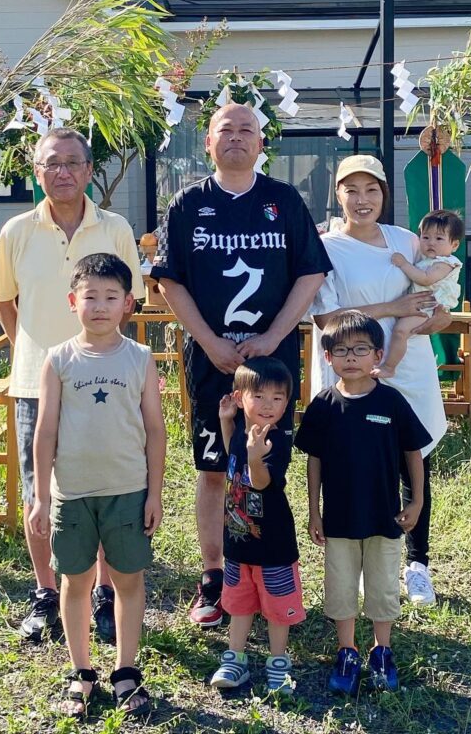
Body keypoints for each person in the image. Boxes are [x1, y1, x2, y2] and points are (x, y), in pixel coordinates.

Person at [151, 102, 331, 628]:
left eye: (246, 129)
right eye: (224, 130)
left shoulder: (284, 200)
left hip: (271, 370)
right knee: (212, 471)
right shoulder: (187, 205)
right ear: (207, 143)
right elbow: (169, 280)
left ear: (260, 143)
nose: (235, 137)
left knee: (267, 471)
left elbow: (311, 273)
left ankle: (269, 569)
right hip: (212, 363)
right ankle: (214, 576)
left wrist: (275, 337)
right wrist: (207, 342)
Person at [0, 128, 146, 643]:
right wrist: (41, 359)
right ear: (36, 171)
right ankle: (46, 594)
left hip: (108, 378)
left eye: (73, 163)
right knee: (42, 493)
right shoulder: (15, 231)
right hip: (38, 380)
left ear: (88, 170)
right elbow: (4, 303)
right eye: (51, 163)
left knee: (103, 484)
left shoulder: (116, 228)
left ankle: (102, 593)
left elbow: (132, 300)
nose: (63, 172)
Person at [29, 253, 165, 718]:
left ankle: (126, 670)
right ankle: (81, 670)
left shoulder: (140, 358)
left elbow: (155, 430)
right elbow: (44, 430)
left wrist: (155, 492)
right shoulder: (58, 359)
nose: (101, 306)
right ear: (73, 301)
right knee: (76, 580)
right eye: (91, 297)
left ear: (129, 303)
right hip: (72, 493)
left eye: (111, 297)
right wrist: (42, 497)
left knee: (128, 580)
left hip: (127, 490)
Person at [310, 154, 450, 607]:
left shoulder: (407, 240)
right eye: (352, 190)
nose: (362, 200)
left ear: (384, 195)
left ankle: (417, 563)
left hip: (408, 365)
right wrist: (392, 311)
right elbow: (326, 317)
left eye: (371, 190)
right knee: (355, 461)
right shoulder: (326, 248)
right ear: (338, 195)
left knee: (414, 456)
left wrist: (432, 319)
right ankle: (361, 562)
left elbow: (432, 298)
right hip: (352, 368)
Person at [296, 311, 430, 695]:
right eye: (341, 350)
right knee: (340, 588)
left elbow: (413, 452)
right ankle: (347, 651)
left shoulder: (391, 401)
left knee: (384, 586)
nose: (350, 357)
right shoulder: (323, 404)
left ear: (378, 354)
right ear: (327, 357)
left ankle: (382, 651)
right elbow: (314, 459)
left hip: (385, 517)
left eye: (360, 349)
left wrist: (417, 501)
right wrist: (314, 511)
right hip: (338, 518)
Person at [210, 356, 304, 693]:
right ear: (239, 398)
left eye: (278, 398)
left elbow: (262, 483)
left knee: (278, 608)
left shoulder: (277, 441)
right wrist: (225, 422)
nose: (268, 405)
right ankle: (235, 658)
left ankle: (278, 663)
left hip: (273, 545)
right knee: (239, 602)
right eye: (259, 396)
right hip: (238, 541)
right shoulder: (242, 432)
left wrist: (255, 457)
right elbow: (232, 454)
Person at [373, 209, 464, 380]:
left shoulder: (445, 263)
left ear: (454, 245)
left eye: (439, 238)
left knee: (400, 332)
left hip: (429, 308)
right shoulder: (427, 260)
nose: (431, 243)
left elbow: (425, 279)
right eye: (426, 237)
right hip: (422, 305)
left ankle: (389, 367)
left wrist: (403, 264)